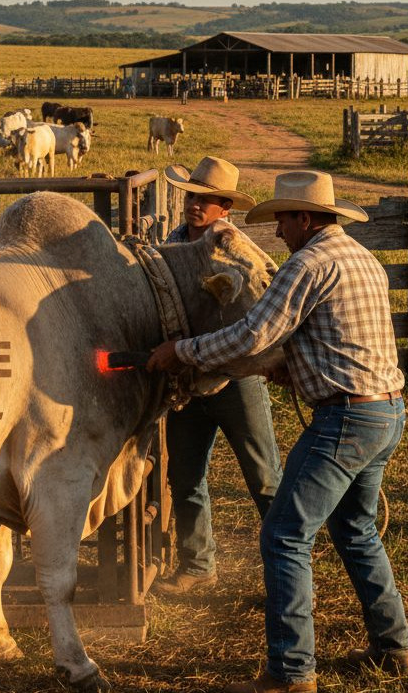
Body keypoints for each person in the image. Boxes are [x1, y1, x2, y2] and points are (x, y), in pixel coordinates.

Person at [148, 170, 408, 693]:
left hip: (346, 418)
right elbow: (341, 336)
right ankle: (393, 645)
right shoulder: (362, 259)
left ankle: (292, 672)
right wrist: (296, 366)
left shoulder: (308, 264)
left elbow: (252, 333)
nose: (278, 232)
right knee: (354, 529)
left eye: (285, 220)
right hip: (385, 411)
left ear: (306, 218)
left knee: (284, 535)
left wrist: (180, 351)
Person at [155, 157, 281, 596]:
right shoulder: (170, 243)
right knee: (185, 475)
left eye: (207, 200)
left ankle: (285, 572)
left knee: (263, 476)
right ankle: (197, 564)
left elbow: (267, 292)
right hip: (188, 378)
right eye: (192, 197)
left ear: (224, 207)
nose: (196, 206)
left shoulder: (236, 248)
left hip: (234, 377)